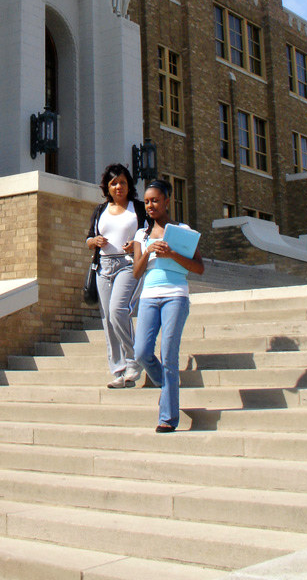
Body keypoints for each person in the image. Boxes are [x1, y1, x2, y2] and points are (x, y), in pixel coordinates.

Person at [133, 178, 204, 431]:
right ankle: (167, 384)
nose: (151, 205)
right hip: (149, 297)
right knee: (141, 352)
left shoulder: (182, 230)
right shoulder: (141, 234)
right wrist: (150, 250)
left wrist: (171, 253)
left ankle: (167, 418)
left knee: (169, 355)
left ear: (167, 201)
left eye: (155, 200)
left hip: (175, 295)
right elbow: (136, 273)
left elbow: (199, 267)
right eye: (147, 201)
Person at [86, 163, 146, 388]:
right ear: (107, 187)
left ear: (129, 184)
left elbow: (149, 234)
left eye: (122, 182)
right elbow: (88, 239)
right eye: (113, 183)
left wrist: (137, 244)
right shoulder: (100, 210)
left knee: (117, 311)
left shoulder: (137, 208)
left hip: (128, 264)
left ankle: (134, 359)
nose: (118, 186)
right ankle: (119, 370)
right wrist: (94, 241)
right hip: (103, 266)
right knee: (107, 319)